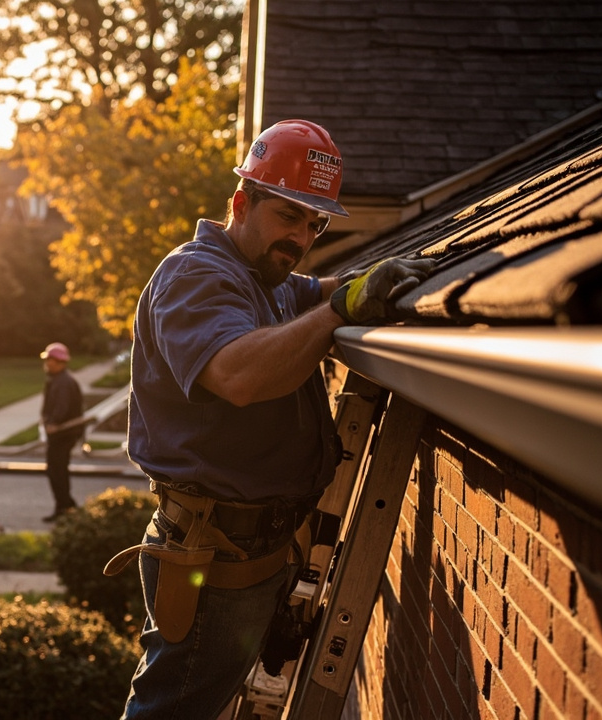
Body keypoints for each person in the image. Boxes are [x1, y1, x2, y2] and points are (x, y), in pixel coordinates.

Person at [110, 119, 435, 718]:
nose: (302, 237)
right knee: (172, 708)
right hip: (215, 557)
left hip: (251, 552)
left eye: (316, 224)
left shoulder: (268, 276)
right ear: (242, 202)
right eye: (289, 215)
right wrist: (340, 310)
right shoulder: (196, 276)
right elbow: (237, 374)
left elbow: (316, 292)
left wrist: (367, 285)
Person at [39, 342, 86, 522]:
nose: (47, 363)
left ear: (59, 362)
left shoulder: (64, 383)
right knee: (56, 470)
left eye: (50, 360)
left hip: (63, 434)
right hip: (58, 434)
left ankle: (66, 507)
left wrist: (53, 422)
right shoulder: (57, 380)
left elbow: (62, 407)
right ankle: (64, 506)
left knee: (57, 471)